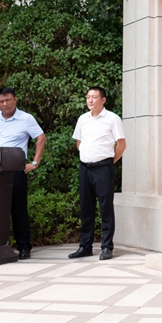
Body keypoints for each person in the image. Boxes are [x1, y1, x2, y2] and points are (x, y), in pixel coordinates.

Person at [0, 87, 46, 260]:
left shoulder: (26, 119)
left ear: (15, 99)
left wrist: (34, 162)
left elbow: (41, 138)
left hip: (16, 169)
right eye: (1, 101)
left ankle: (24, 246)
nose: (5, 104)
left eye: (8, 100)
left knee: (18, 209)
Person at [68, 86, 126, 261]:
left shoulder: (112, 119)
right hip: (85, 168)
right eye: (88, 97)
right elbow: (79, 142)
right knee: (86, 208)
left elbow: (121, 145)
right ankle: (85, 246)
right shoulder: (82, 119)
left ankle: (107, 247)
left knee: (105, 208)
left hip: (103, 168)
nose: (90, 100)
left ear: (103, 100)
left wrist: (108, 162)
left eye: (94, 97)